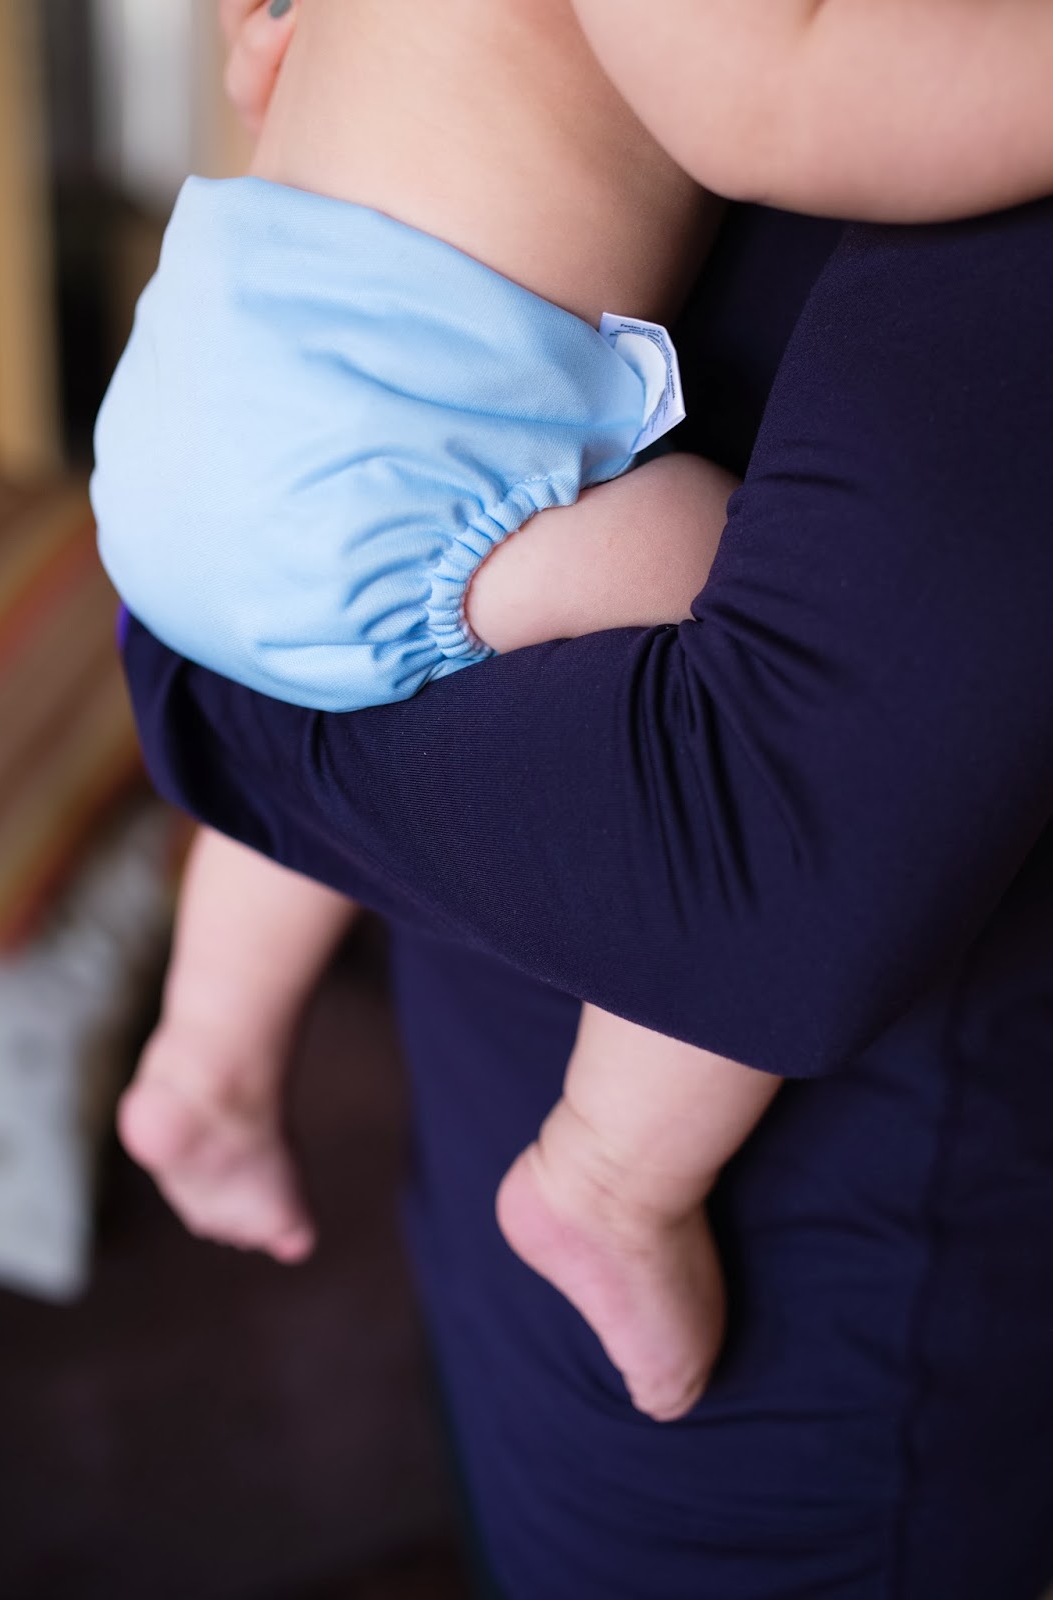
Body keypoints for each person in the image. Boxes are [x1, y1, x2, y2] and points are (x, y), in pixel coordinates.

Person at [110, 3, 1053, 1592]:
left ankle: (203, 1048)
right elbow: (784, 100)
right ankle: (611, 1176)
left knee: (324, 676)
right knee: (747, 617)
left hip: (213, 400)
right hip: (397, 477)